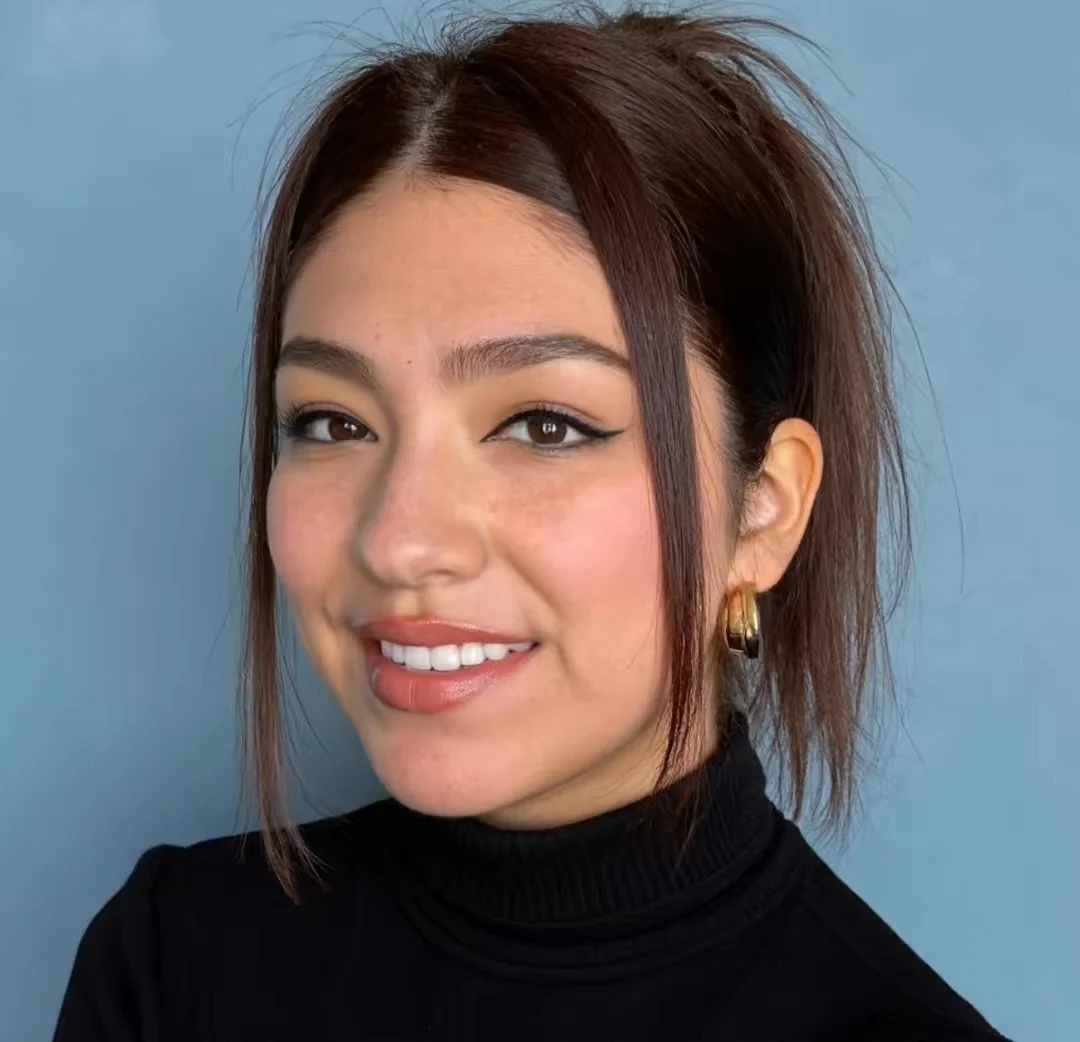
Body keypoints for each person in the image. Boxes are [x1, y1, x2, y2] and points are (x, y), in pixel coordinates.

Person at [54, 5, 1008, 1040]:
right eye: (332, 421)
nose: (400, 540)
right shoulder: (172, 962)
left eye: (545, 425)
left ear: (763, 509)